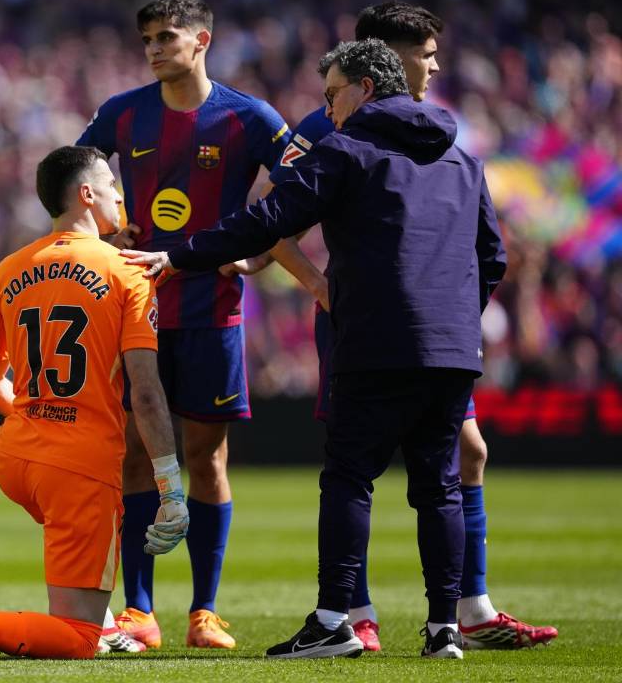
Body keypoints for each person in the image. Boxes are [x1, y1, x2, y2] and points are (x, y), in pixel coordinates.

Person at [125, 38, 508, 660]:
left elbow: (266, 220)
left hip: (374, 341)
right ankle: (444, 632)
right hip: (453, 349)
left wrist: (178, 255)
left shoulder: (348, 152)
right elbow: (493, 256)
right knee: (438, 485)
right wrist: (456, 317)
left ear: (365, 87)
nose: (328, 111)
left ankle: (334, 621)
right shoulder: (464, 161)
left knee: (350, 478)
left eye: (333, 96)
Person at [253, 2, 556, 652]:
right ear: (383, 58)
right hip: (365, 323)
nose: (435, 63)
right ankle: (359, 614)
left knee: (456, 456)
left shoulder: (441, 132)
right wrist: (320, 287)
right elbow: (274, 225)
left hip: (428, 328)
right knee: (363, 466)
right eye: (424, 51)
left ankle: (464, 611)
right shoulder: (329, 124)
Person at [0, 145, 189, 661]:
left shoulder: (11, 266)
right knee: (77, 639)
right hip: (78, 465)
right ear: (87, 194)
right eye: (111, 184)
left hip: (16, 457)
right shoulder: (130, 271)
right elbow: (145, 392)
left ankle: (108, 618)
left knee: (91, 545)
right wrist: (171, 486)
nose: (120, 194)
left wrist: (41, 417)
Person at [75, 0, 298, 650]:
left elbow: (305, 184)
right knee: (138, 454)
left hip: (212, 311)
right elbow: (71, 182)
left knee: (205, 458)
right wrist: (106, 230)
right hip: (137, 309)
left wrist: (257, 249)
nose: (153, 50)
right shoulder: (122, 114)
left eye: (166, 37)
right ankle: (140, 611)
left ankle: (204, 611)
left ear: (202, 40)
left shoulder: (247, 117)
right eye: (146, 39)